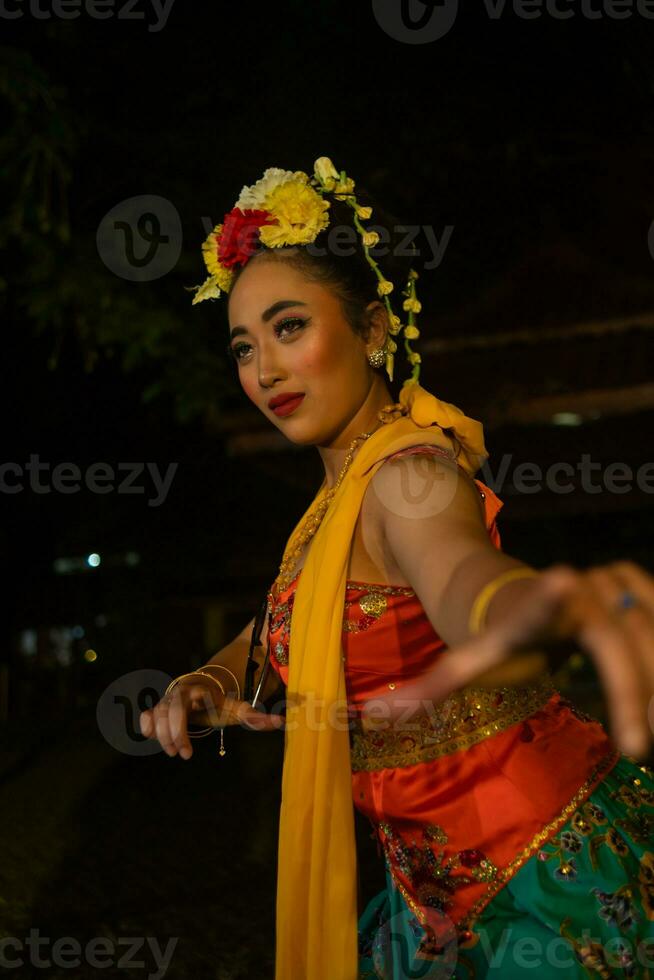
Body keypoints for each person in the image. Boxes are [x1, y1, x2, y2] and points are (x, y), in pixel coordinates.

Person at [139, 157, 654, 980]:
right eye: (244, 345)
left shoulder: (407, 477)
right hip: (423, 903)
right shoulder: (329, 510)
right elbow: (294, 616)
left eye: (289, 327)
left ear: (374, 331)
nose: (264, 370)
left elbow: (460, 579)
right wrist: (212, 676)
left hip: (540, 879)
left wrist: (538, 608)